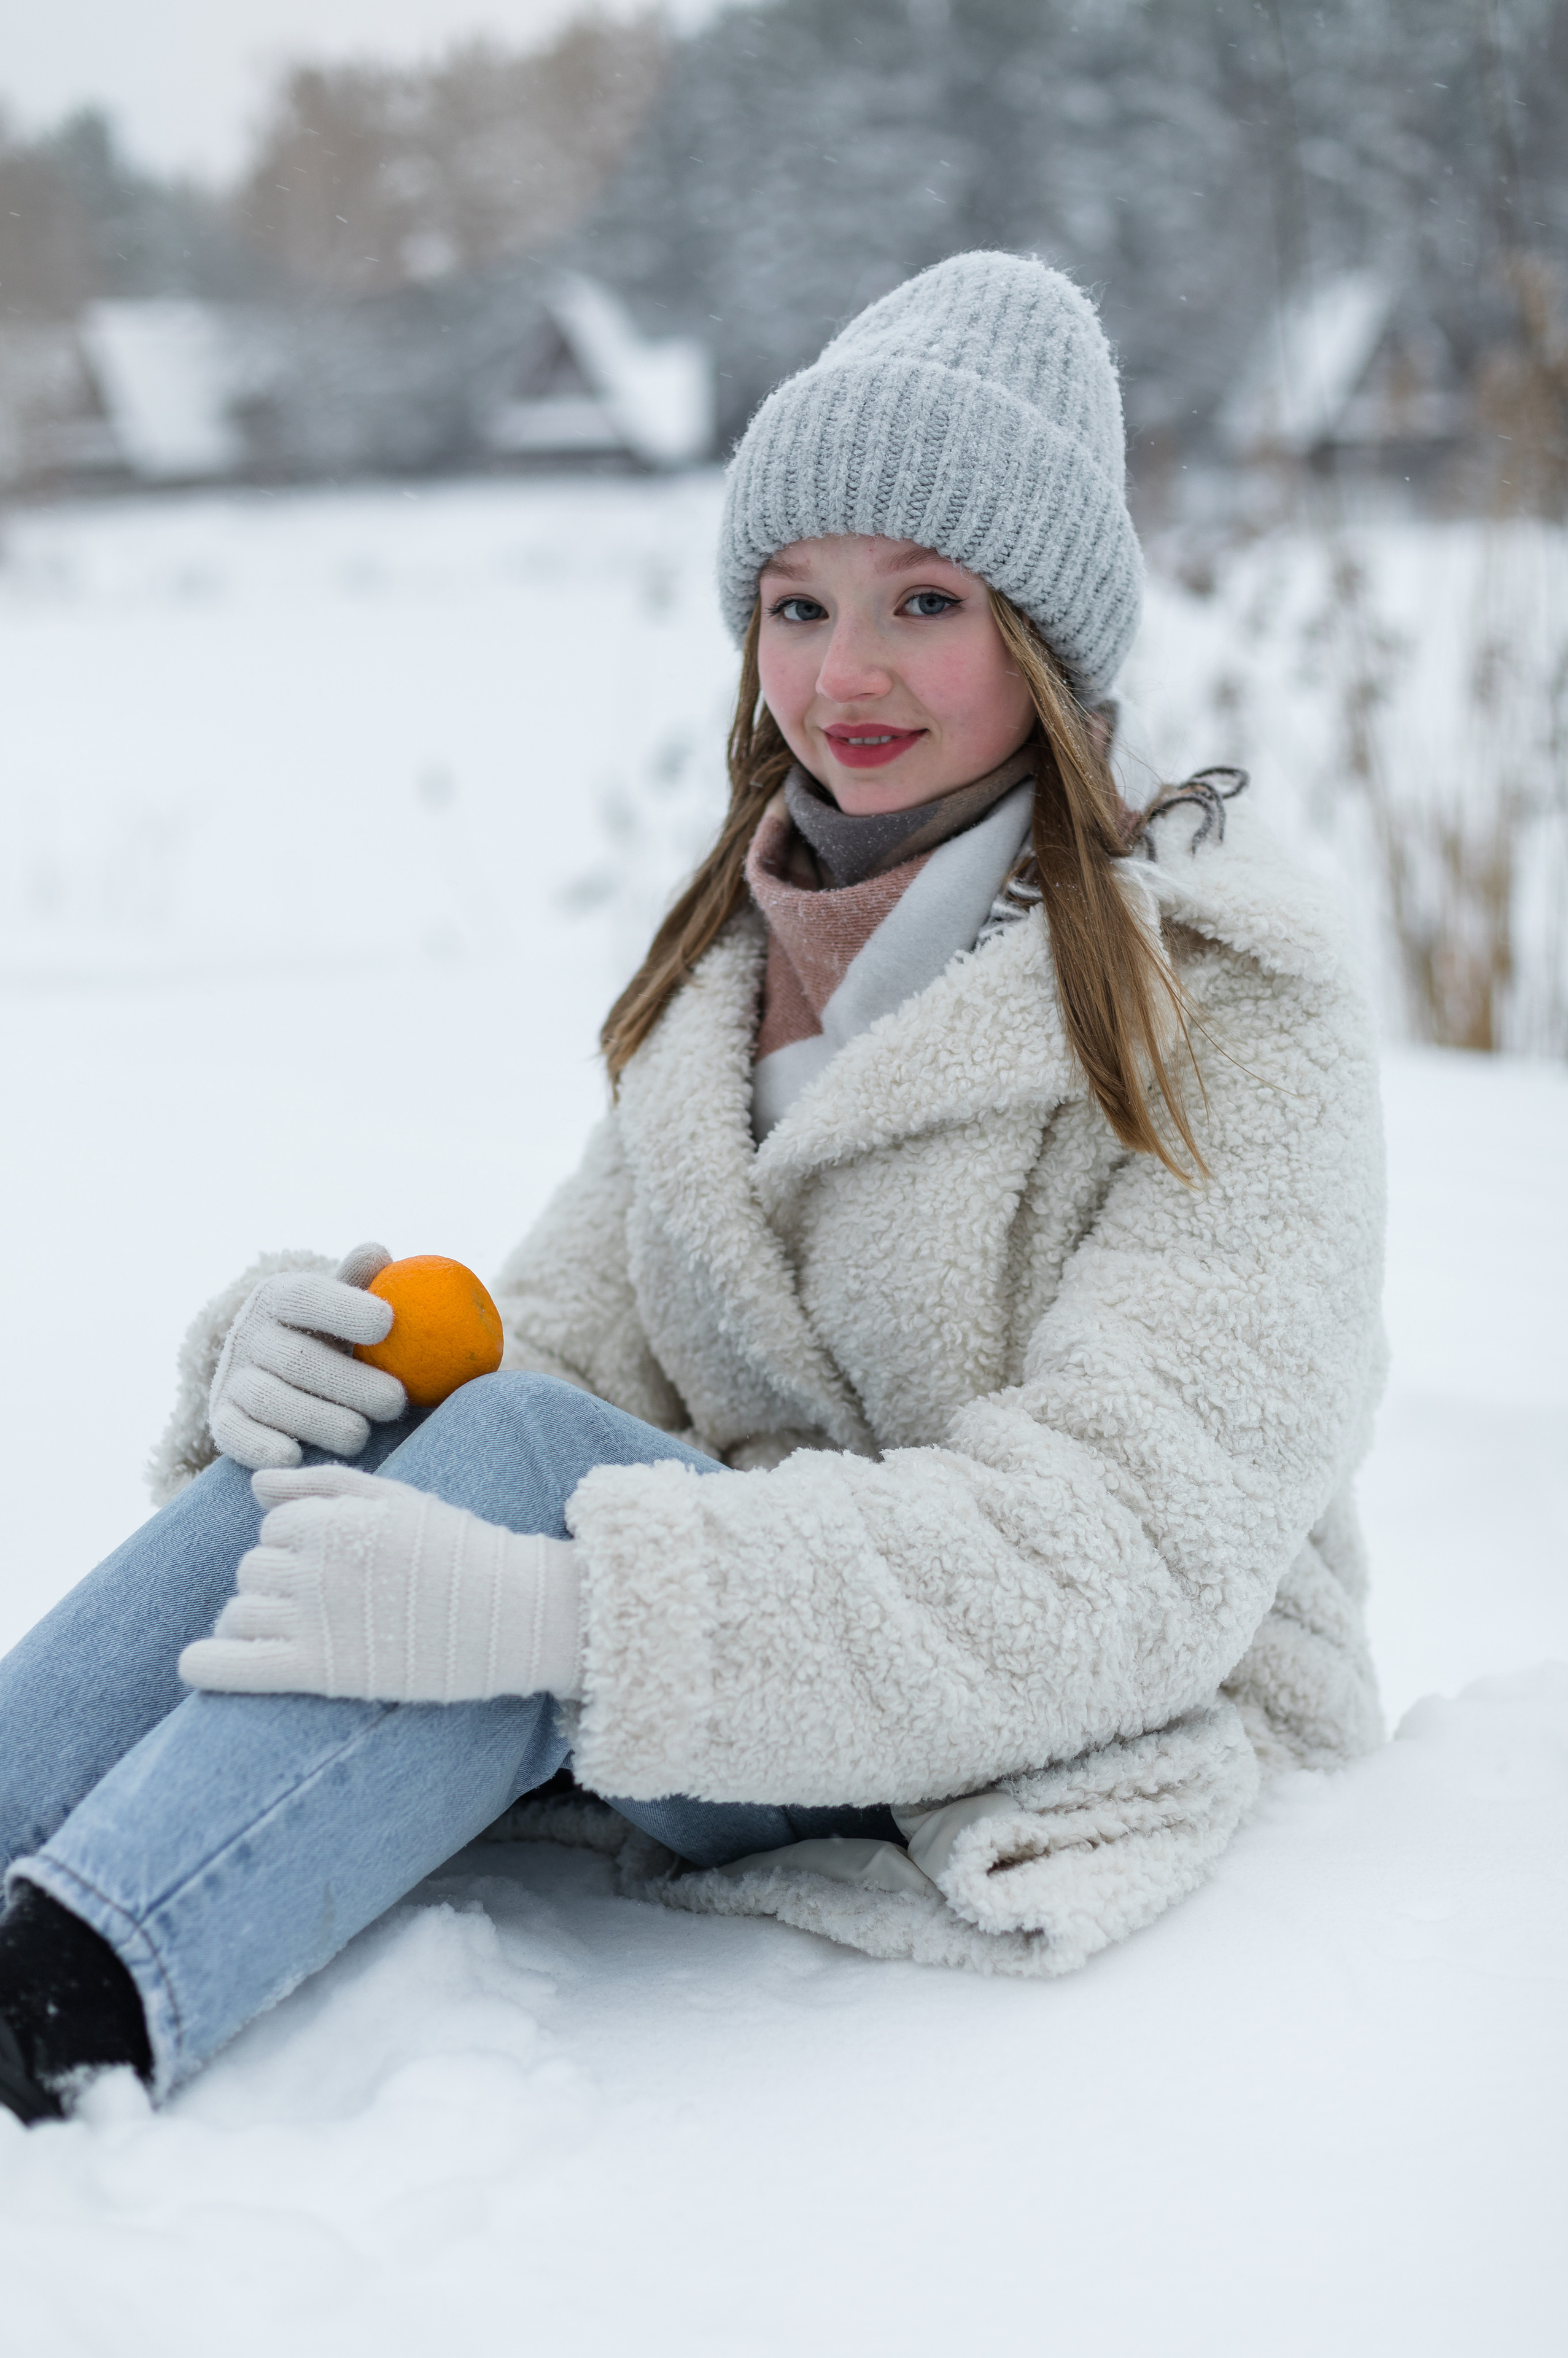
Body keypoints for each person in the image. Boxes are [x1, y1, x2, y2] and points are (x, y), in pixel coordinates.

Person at [0, 252, 1385, 2126]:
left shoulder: (1223, 1015)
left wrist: (577, 1616)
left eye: (926, 601)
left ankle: (59, 2013)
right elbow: (556, 1363)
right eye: (795, 604)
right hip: (764, 1700)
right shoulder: (731, 987)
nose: (846, 673)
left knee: (525, 1479)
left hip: (1082, 1734)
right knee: (413, 1430)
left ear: (1048, 643)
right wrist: (307, 1384)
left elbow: (1124, 1563)